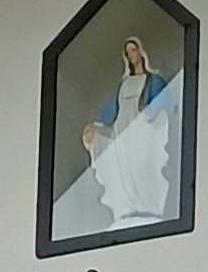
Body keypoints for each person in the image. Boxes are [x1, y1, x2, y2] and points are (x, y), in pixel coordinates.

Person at [62, 30, 180, 235]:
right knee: (123, 165)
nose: (132, 55)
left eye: (134, 50)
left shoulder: (153, 81)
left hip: (144, 129)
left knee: (143, 165)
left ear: (141, 52)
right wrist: (96, 127)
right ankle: (127, 207)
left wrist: (150, 115)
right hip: (123, 131)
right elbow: (109, 113)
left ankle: (146, 205)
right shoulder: (123, 85)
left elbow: (166, 104)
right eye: (128, 52)